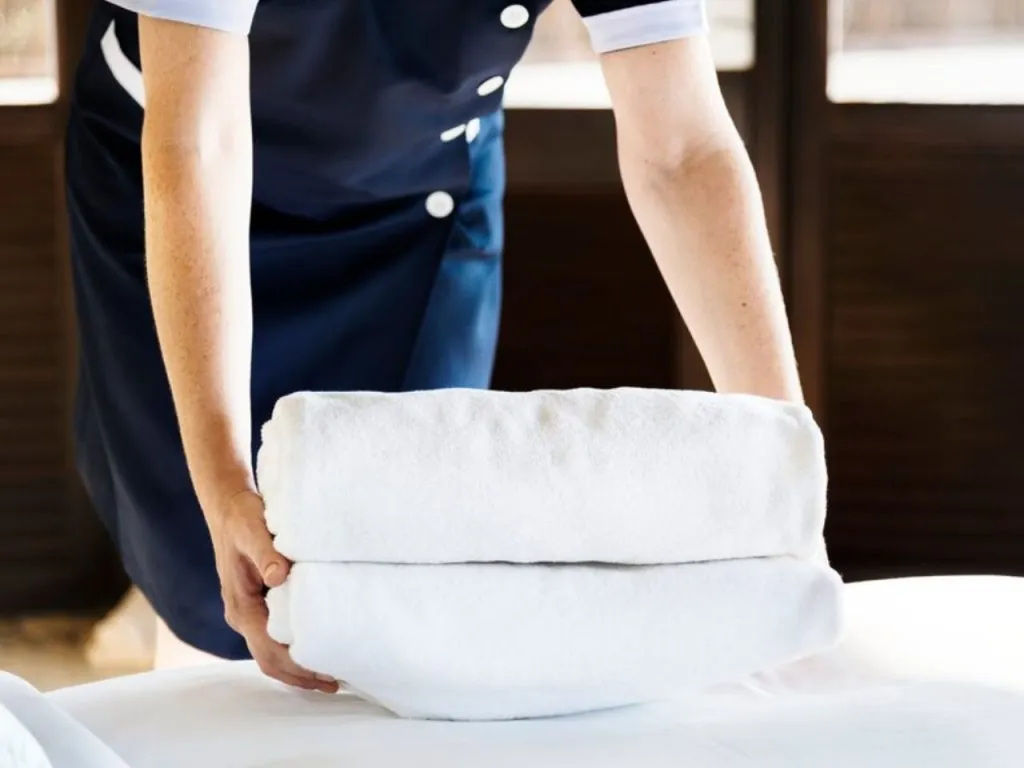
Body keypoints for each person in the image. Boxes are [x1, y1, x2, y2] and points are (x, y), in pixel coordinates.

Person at [66, 0, 804, 694]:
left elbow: (682, 150)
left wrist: (785, 469)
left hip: (421, 191)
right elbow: (200, 140)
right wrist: (223, 477)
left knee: (411, 551)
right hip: (179, 158)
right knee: (211, 579)